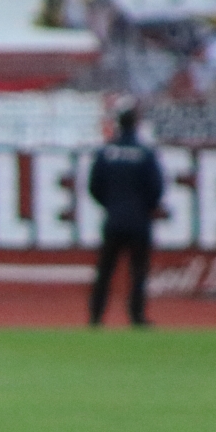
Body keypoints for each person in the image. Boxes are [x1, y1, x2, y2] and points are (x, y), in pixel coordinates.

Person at [87, 107, 165, 327]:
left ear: (119, 124)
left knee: (105, 270)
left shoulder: (106, 152)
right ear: (137, 124)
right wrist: (145, 207)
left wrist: (110, 204)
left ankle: (96, 315)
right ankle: (137, 316)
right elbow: (156, 188)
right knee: (138, 271)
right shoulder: (145, 153)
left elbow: (94, 186)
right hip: (139, 221)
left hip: (113, 220)